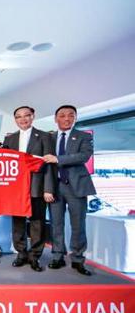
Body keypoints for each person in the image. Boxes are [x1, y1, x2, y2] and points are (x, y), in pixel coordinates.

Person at [43, 105, 96, 276]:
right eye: (62, 115)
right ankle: (58, 255)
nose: (66, 118)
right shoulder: (49, 137)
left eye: (70, 116)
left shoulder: (84, 137)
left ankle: (78, 259)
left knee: (78, 225)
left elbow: (83, 156)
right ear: (56, 118)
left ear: (75, 118)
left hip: (76, 187)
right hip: (55, 187)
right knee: (56, 224)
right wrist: (47, 188)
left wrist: (57, 159)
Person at [2, 106, 55, 272]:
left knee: (37, 222)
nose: (22, 119)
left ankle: (35, 256)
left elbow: (49, 165)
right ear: (15, 119)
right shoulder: (9, 139)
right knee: (17, 222)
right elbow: (5, 164)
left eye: (26, 116)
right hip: (16, 188)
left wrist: (48, 189)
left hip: (37, 187)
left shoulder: (45, 136)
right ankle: (21, 253)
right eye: (18, 117)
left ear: (33, 116)